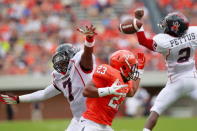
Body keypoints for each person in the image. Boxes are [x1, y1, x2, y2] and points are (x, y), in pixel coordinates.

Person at [0, 25, 127, 131]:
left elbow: (87, 56)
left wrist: (89, 40)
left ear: (72, 58)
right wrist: (18, 99)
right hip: (79, 119)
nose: (60, 65)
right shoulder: (59, 77)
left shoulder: (81, 65)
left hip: (92, 118)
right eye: (59, 61)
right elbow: (44, 94)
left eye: (63, 60)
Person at [134, 11, 197, 131]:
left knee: (155, 113)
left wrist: (138, 22)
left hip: (175, 82)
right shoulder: (193, 32)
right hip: (193, 80)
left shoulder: (163, 41)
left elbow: (142, 41)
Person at [78, 50, 146, 131]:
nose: (133, 70)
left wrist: (140, 70)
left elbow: (132, 92)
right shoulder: (108, 71)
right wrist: (109, 90)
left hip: (104, 125)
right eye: (131, 67)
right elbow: (86, 91)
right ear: (123, 67)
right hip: (91, 123)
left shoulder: (125, 81)